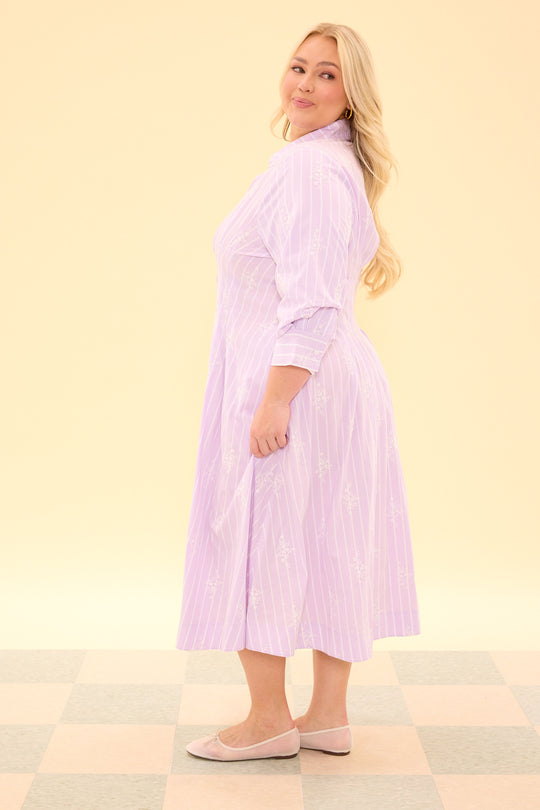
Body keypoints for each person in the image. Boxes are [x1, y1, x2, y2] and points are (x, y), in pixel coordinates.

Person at [176, 21, 420, 762]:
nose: (306, 86)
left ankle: (268, 720)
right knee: (330, 536)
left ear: (352, 95)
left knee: (263, 534)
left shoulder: (308, 171)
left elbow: (310, 299)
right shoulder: (327, 163)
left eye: (327, 76)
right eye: (298, 68)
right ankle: (326, 716)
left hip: (300, 381)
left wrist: (277, 398)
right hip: (334, 379)